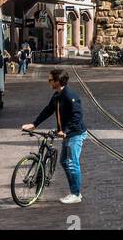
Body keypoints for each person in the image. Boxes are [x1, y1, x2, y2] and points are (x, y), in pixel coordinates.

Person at [22, 69, 87, 205]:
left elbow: (77, 116)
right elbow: (48, 110)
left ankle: (75, 194)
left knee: (72, 163)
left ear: (58, 81)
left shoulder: (70, 95)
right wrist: (34, 124)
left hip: (75, 134)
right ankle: (75, 192)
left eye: (50, 79)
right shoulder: (57, 95)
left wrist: (66, 131)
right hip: (67, 135)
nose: (48, 81)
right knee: (64, 161)